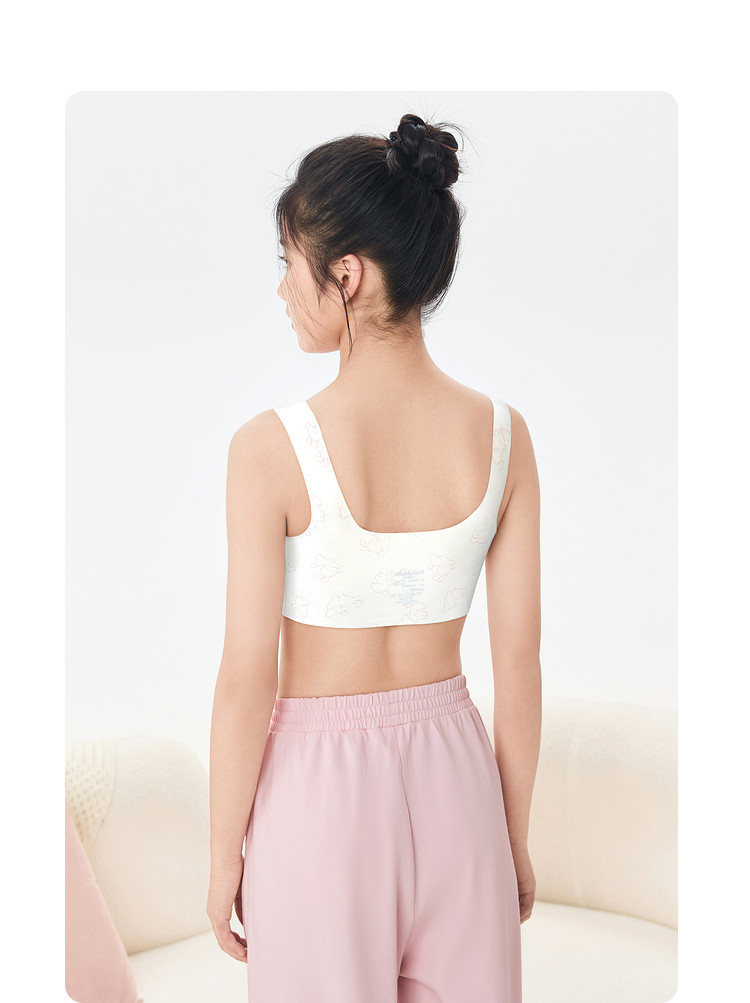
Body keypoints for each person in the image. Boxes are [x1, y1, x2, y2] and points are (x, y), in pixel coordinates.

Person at [207, 111, 542, 1003]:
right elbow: (518, 661)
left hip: (319, 799)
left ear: (346, 274)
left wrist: (223, 851)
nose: (283, 288)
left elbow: (247, 673)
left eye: (289, 261)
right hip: (458, 779)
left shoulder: (268, 449)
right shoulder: (504, 436)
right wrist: (510, 835)